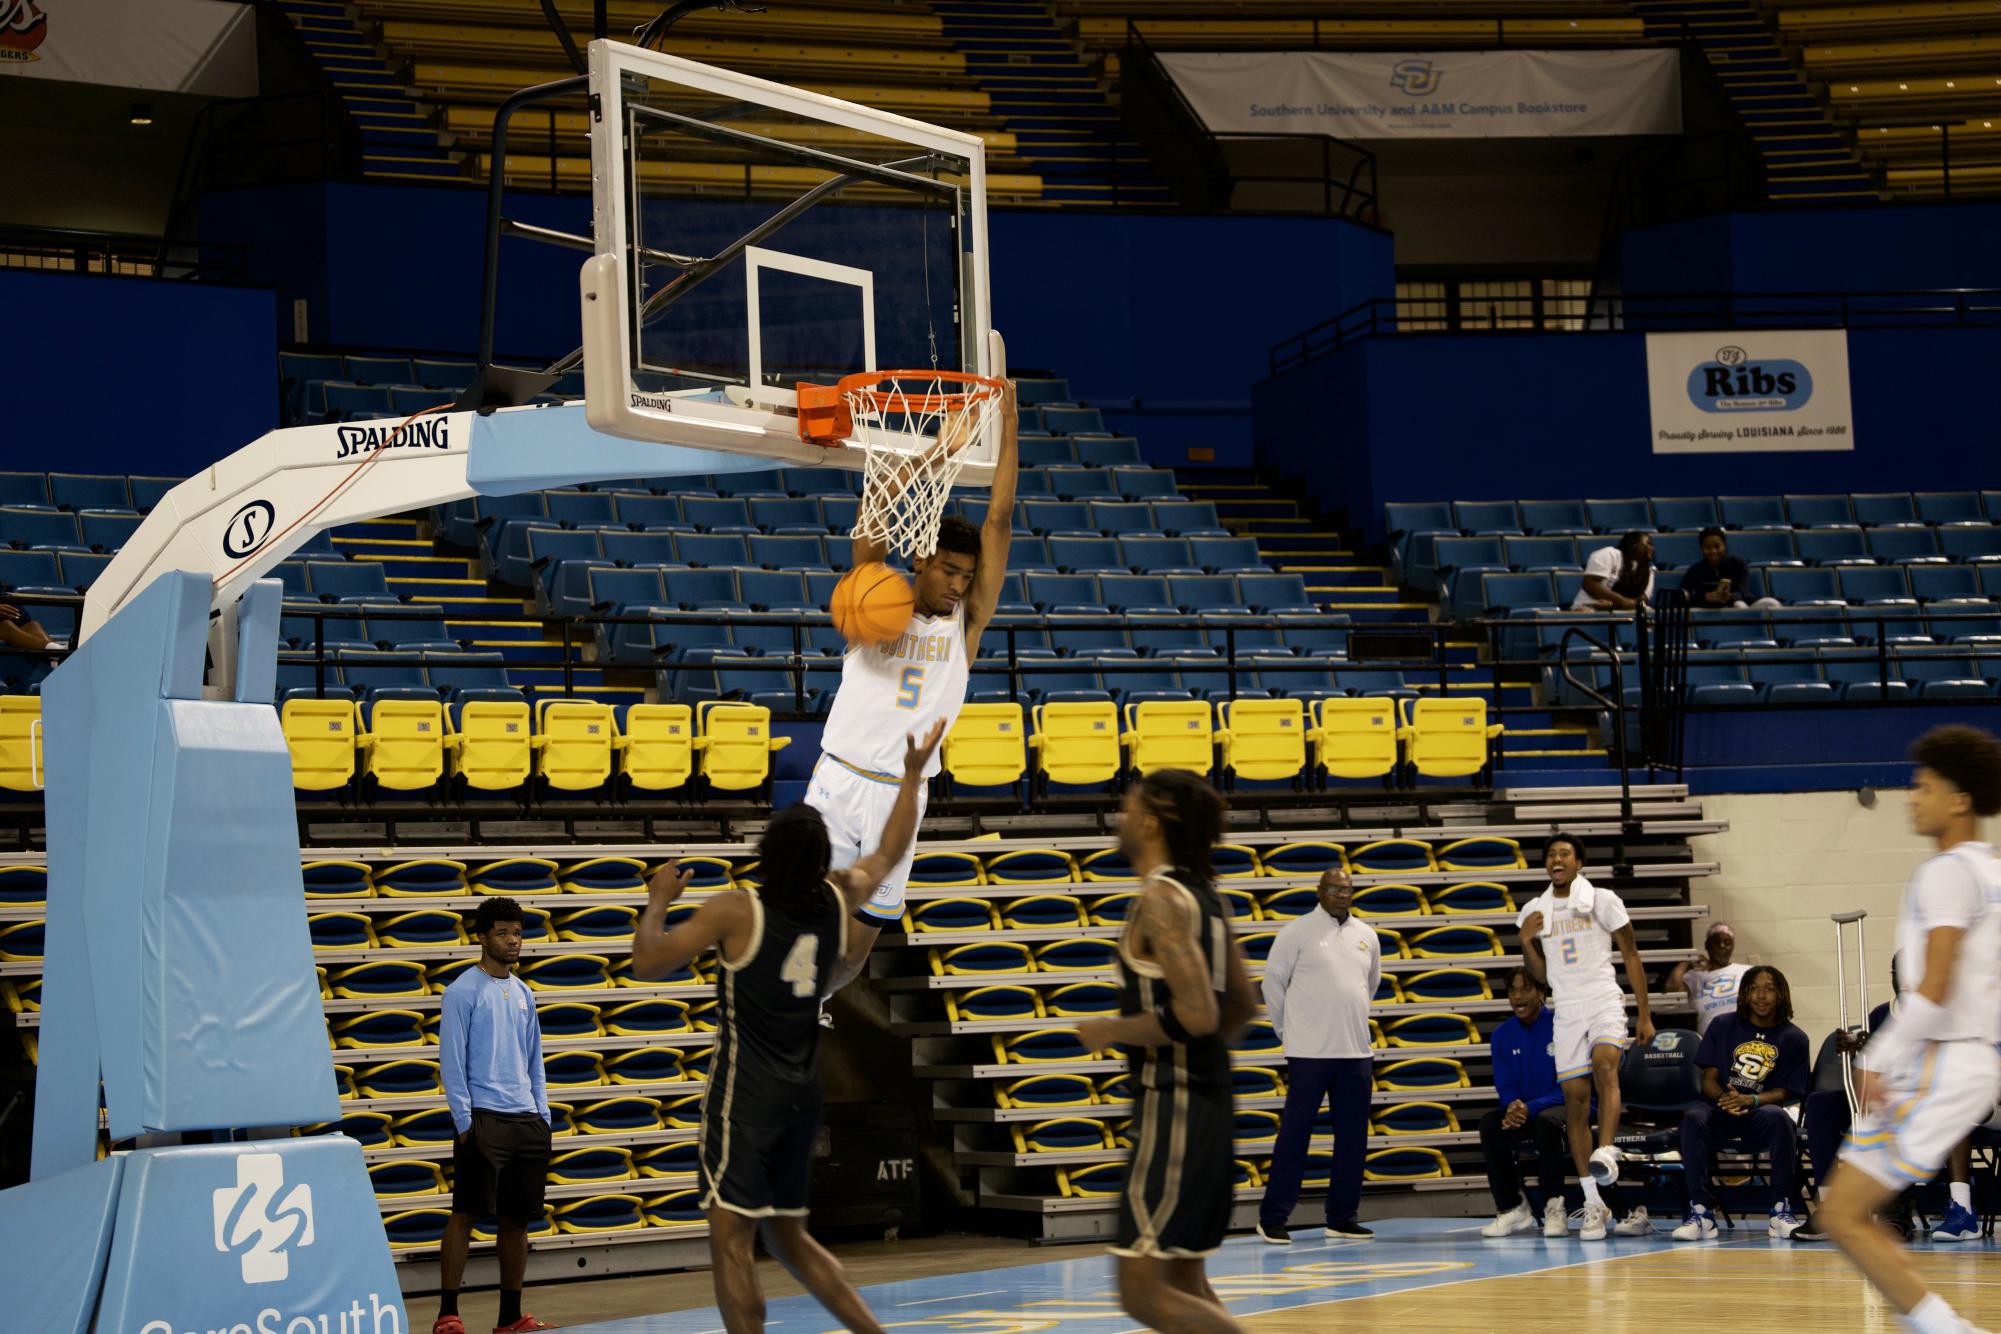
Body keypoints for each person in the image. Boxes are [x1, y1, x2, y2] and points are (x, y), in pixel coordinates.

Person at [629, 720, 946, 1334]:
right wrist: (910, 776)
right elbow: (888, 849)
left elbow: (646, 963)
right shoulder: (838, 895)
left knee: (731, 1241)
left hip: (745, 1094)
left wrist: (660, 900)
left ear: (766, 852)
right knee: (790, 1238)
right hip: (804, 1091)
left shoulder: (733, 910)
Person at [812, 385, 1018, 994]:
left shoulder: (967, 624)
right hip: (839, 778)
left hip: (901, 796)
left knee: (860, 943)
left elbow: (1000, 518)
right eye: (950, 570)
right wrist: (941, 447)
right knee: (810, 919)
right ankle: (791, 1003)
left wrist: (1007, 421)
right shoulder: (874, 593)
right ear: (923, 559)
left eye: (967, 575)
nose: (959, 584)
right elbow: (878, 500)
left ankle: (818, 1000)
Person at [1819, 725, 2001, 1334]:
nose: (1911, 797)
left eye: (1925, 785)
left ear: (1960, 799)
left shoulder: (1948, 871)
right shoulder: (1989, 869)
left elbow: (1937, 982)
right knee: (1843, 1216)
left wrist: (1878, 1054)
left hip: (1941, 1060)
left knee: (1842, 1215)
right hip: (1967, 1060)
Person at [1075, 770, 1257, 1334]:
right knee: (1185, 1283)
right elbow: (1242, 1004)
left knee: (1141, 1290)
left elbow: (1200, 1015)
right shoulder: (1205, 896)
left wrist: (1114, 1028)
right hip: (1208, 1103)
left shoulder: (1159, 901)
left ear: (1152, 820)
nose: (1120, 815)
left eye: (1129, 806)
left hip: (1175, 1109)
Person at [1517, 832, 1654, 1241]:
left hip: (1602, 999)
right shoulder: (1534, 910)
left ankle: (1606, 1151)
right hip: (1567, 1008)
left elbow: (1630, 952)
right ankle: (1594, 1203)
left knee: (1604, 1065)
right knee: (1576, 1104)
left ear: (1579, 863)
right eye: (1551, 854)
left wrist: (1645, 1013)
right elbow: (1541, 978)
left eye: (1565, 853)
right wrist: (1525, 939)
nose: (1557, 859)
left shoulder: (1603, 899)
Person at [436, 897, 556, 1334]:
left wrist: (542, 1115)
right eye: (503, 933)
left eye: (518, 933)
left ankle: (510, 1317)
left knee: (517, 1222)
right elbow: (452, 1062)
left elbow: (533, 1060)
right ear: (482, 937)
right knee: (465, 1214)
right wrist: (465, 1122)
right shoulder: (462, 991)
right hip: (483, 1120)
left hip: (526, 1120)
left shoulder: (524, 993)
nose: (513, 941)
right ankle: (448, 1314)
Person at [1255, 866, 1378, 1245]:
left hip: (1355, 1050)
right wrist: (1285, 1032)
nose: (1342, 894)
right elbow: (1272, 984)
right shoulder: (1296, 932)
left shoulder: (1366, 936)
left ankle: (1342, 1217)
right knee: (1295, 1135)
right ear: (1320, 891)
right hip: (1309, 1053)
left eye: (1347, 889)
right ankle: (1273, 1217)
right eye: (1335, 888)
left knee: (1353, 1139)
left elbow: (1368, 985)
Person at [1670, 964, 1812, 1240]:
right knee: (1693, 1118)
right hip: (1721, 1107)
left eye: (1769, 989)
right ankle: (1701, 1212)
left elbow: (1786, 1092)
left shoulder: (1794, 1038)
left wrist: (1751, 1100)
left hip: (1761, 1112)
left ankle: (1780, 1208)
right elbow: (1707, 1080)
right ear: (1744, 994)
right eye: (1754, 988)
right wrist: (1727, 1099)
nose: (1761, 996)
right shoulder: (1722, 1025)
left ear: (1781, 995)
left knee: (1780, 1118)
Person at [1479, 968, 1572, 1238]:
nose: (1517, 997)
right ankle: (1512, 1207)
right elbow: (1505, 1084)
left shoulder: (1562, 1027)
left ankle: (1555, 1206)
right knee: (1489, 1124)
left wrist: (1529, 1108)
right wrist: (1511, 1107)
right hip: (1525, 1111)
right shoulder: (1501, 1035)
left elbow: (1568, 1088)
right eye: (1512, 990)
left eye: (1525, 989)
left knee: (1546, 1123)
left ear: (1542, 992)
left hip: (1563, 1108)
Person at [1665, 922, 1750, 1037]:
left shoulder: (1746, 972)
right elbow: (1671, 987)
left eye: (1727, 942)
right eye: (1716, 942)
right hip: (1710, 1041)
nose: (1722, 946)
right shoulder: (1695, 976)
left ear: (1733, 946)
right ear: (1707, 945)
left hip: (1743, 1038)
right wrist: (1687, 962)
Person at [1679, 527, 1782, 610]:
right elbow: (1681, 596)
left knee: (1771, 603)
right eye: (1708, 548)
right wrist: (1706, 597)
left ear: (1724, 546)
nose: (1713, 551)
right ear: (1702, 549)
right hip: (1708, 609)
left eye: (1717, 546)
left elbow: (1743, 592)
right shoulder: (1695, 570)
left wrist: (1729, 597)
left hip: (1738, 605)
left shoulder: (1738, 564)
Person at [1573, 531, 1654, 612]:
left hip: (1623, 608)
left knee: (1650, 614)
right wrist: (1621, 601)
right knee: (1584, 611)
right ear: (1634, 544)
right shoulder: (1609, 554)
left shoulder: (1648, 571)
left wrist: (1613, 604)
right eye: (1648, 543)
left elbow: (1643, 599)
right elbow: (1590, 584)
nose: (1652, 548)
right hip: (1591, 605)